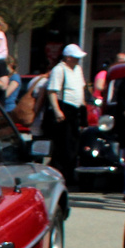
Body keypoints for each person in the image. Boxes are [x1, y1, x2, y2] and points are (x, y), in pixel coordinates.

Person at [44, 44, 88, 176]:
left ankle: (70, 172)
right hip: (65, 108)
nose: (78, 60)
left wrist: (84, 109)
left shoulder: (78, 69)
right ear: (68, 57)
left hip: (76, 109)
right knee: (63, 145)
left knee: (74, 144)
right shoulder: (59, 69)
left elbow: (81, 89)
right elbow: (52, 91)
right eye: (75, 57)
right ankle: (60, 172)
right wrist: (57, 110)